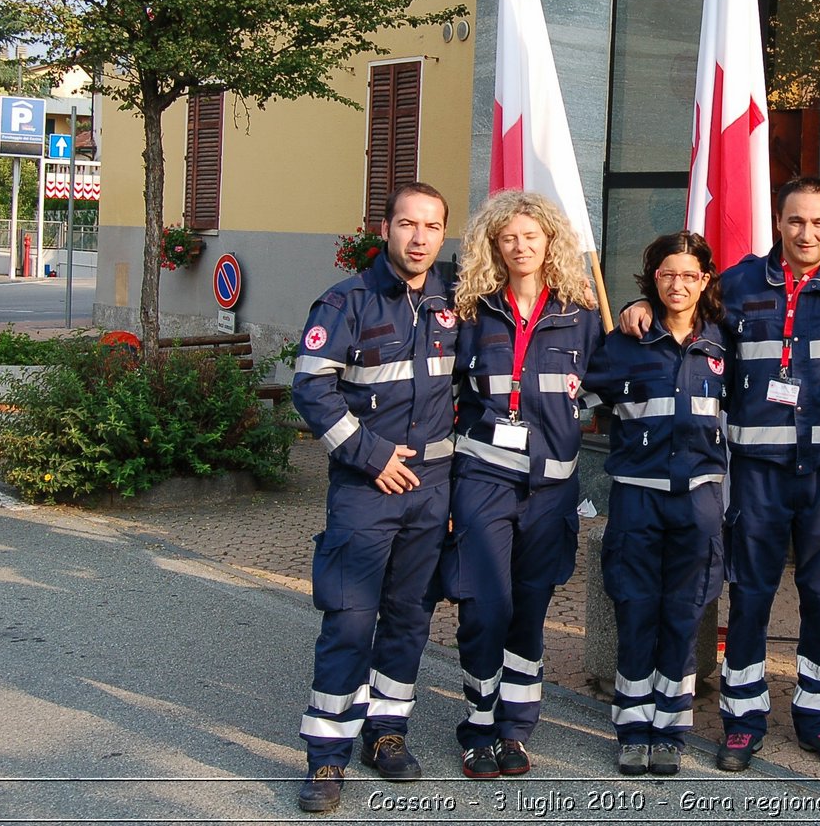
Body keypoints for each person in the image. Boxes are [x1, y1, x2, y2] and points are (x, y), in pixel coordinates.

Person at [621, 176, 820, 771]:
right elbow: (683, 311)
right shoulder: (740, 282)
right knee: (749, 594)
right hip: (756, 470)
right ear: (779, 221)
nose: (808, 233)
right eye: (796, 221)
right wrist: (637, 303)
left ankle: (818, 716)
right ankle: (743, 718)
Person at [290, 182, 459, 814]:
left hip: (433, 492)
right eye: (408, 224)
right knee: (351, 620)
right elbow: (311, 389)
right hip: (368, 488)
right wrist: (370, 455)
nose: (420, 238)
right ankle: (326, 758)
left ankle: (387, 734)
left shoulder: (455, 300)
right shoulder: (347, 301)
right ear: (384, 228)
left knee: (411, 618)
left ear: (444, 233)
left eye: (432, 227)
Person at [445, 190, 604, 780]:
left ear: (549, 242)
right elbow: (451, 390)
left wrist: (566, 415)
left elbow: (604, 382)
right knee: (487, 606)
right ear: (494, 243)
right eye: (508, 238)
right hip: (484, 479)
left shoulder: (579, 312)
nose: (520, 247)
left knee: (530, 611)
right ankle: (478, 724)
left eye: (530, 237)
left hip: (552, 488)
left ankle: (515, 730)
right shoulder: (472, 308)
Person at [583, 231, 729, 777]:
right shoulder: (626, 342)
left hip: (697, 501)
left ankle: (670, 726)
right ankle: (633, 725)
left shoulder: (721, 342)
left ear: (705, 281)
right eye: (668, 274)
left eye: (690, 275)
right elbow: (585, 401)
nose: (679, 284)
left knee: (684, 614)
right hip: (637, 501)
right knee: (636, 610)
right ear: (652, 279)